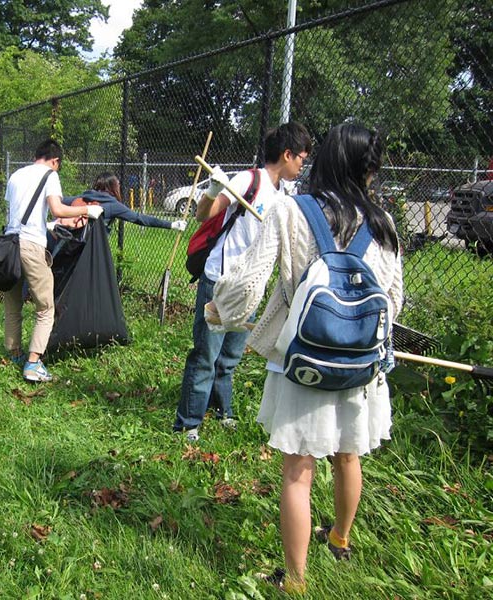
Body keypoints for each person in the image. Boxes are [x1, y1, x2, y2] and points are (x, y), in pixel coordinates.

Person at [207, 123, 404, 594]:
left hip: (302, 359)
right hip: (359, 365)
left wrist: (223, 310)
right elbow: (393, 300)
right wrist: (356, 337)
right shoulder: (384, 224)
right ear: (368, 169)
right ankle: (339, 539)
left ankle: (295, 580)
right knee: (347, 454)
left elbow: (250, 281)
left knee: (298, 470)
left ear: (323, 161)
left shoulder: (291, 211)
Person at [172, 122, 312, 442]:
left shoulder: (285, 196)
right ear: (287, 154)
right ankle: (188, 423)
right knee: (206, 354)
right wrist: (212, 190)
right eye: (301, 158)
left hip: (250, 285)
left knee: (230, 356)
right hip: (221, 280)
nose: (302, 165)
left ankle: (223, 412)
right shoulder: (248, 180)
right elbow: (203, 216)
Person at [3, 139, 103, 383]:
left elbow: (16, 210)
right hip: (31, 246)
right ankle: (33, 364)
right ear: (55, 160)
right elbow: (57, 209)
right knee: (45, 308)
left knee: (12, 305)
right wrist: (86, 211)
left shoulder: (16, 174)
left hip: (9, 244)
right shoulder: (50, 175)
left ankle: (13, 355)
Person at [50, 172, 188, 233]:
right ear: (114, 187)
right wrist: (171, 224)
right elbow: (140, 218)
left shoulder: (84, 197)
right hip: (92, 250)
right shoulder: (113, 205)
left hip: (69, 243)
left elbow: (59, 201)